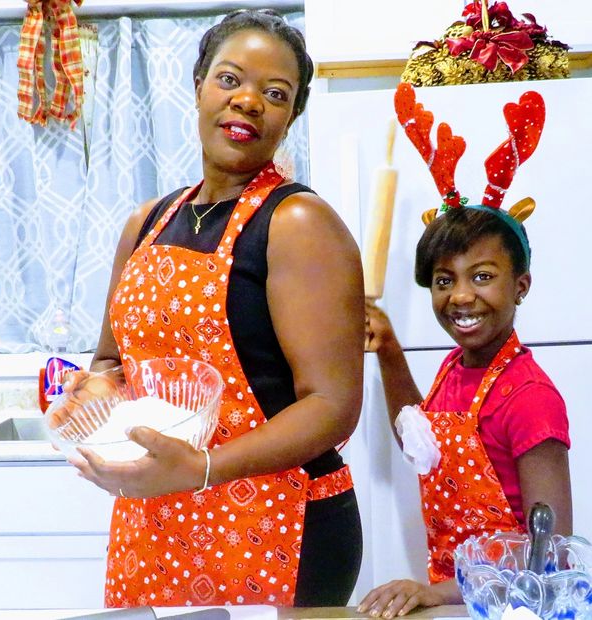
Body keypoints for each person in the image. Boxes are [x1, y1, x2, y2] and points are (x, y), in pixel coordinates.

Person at [55, 9, 364, 608]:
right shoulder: (146, 224)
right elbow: (110, 361)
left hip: (279, 522)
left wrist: (200, 467)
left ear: (292, 116)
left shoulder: (299, 223)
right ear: (198, 85)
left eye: (276, 94)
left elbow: (332, 405)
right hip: (155, 521)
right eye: (230, 79)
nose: (248, 101)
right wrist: (92, 394)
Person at [358, 205, 573, 618]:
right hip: (461, 600)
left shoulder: (529, 398)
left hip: (513, 608)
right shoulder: (455, 367)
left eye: (482, 276)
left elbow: (551, 555)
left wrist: (436, 593)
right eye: (444, 280)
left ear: (520, 286)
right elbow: (417, 442)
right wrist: (388, 349)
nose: (459, 296)